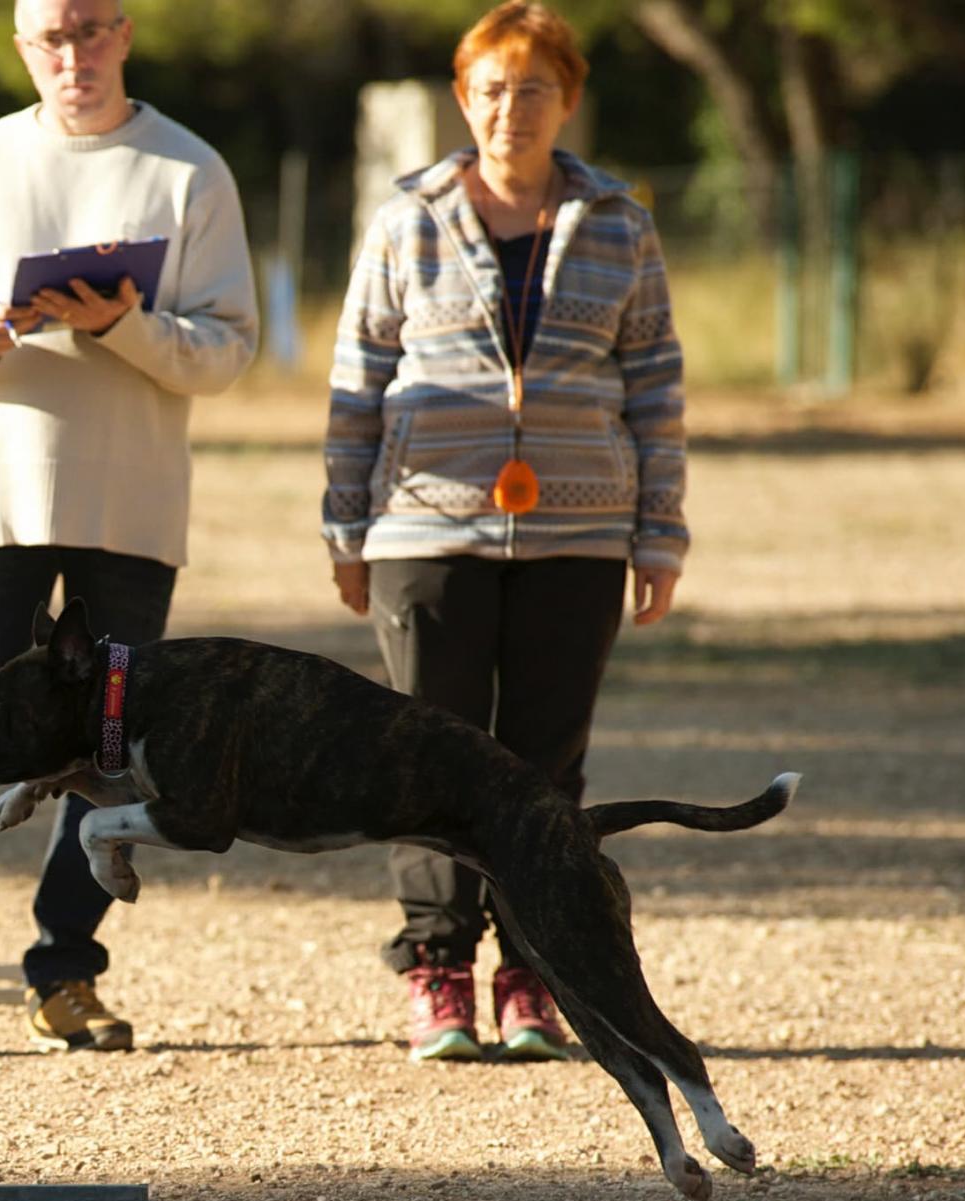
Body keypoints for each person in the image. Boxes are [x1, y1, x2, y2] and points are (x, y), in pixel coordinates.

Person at [0, 0, 258, 1060]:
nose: (76, 56)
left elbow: (228, 347)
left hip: (132, 504)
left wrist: (121, 323)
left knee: (108, 752)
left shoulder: (189, 170)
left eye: (95, 30)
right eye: (53, 37)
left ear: (127, 33)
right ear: (23, 46)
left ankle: (65, 973)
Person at [322, 1, 687, 1062]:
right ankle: (439, 972)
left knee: (544, 766)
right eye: (489, 88)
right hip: (426, 531)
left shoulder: (619, 221)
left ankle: (533, 972)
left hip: (579, 536)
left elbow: (655, 389)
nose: (509, 109)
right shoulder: (406, 216)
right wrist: (346, 523)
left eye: (532, 88)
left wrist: (659, 531)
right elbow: (357, 384)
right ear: (461, 98)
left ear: (567, 97)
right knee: (424, 760)